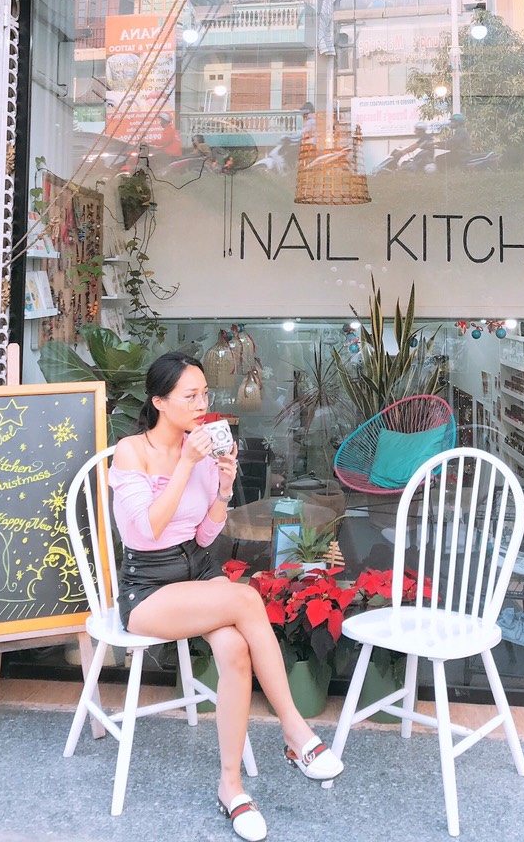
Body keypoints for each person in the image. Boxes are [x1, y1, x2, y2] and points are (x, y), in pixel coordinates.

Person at [109, 353, 343, 841]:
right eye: (190, 396)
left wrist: (222, 488)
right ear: (159, 402)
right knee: (247, 600)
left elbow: (203, 536)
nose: (202, 405)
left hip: (197, 571)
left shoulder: (201, 448)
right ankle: (294, 731)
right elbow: (148, 531)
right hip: (148, 587)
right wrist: (186, 465)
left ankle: (231, 788)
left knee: (235, 648)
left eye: (205, 394)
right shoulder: (132, 452)